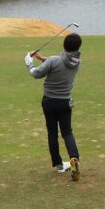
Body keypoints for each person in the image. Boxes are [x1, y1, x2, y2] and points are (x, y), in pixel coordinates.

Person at [25, 32, 83, 181]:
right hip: (65, 103)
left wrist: (29, 62)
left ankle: (59, 164)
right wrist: (43, 59)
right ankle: (74, 158)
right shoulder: (77, 62)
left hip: (49, 102)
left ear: (64, 45)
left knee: (52, 133)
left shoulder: (53, 60)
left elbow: (36, 74)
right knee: (67, 133)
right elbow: (59, 62)